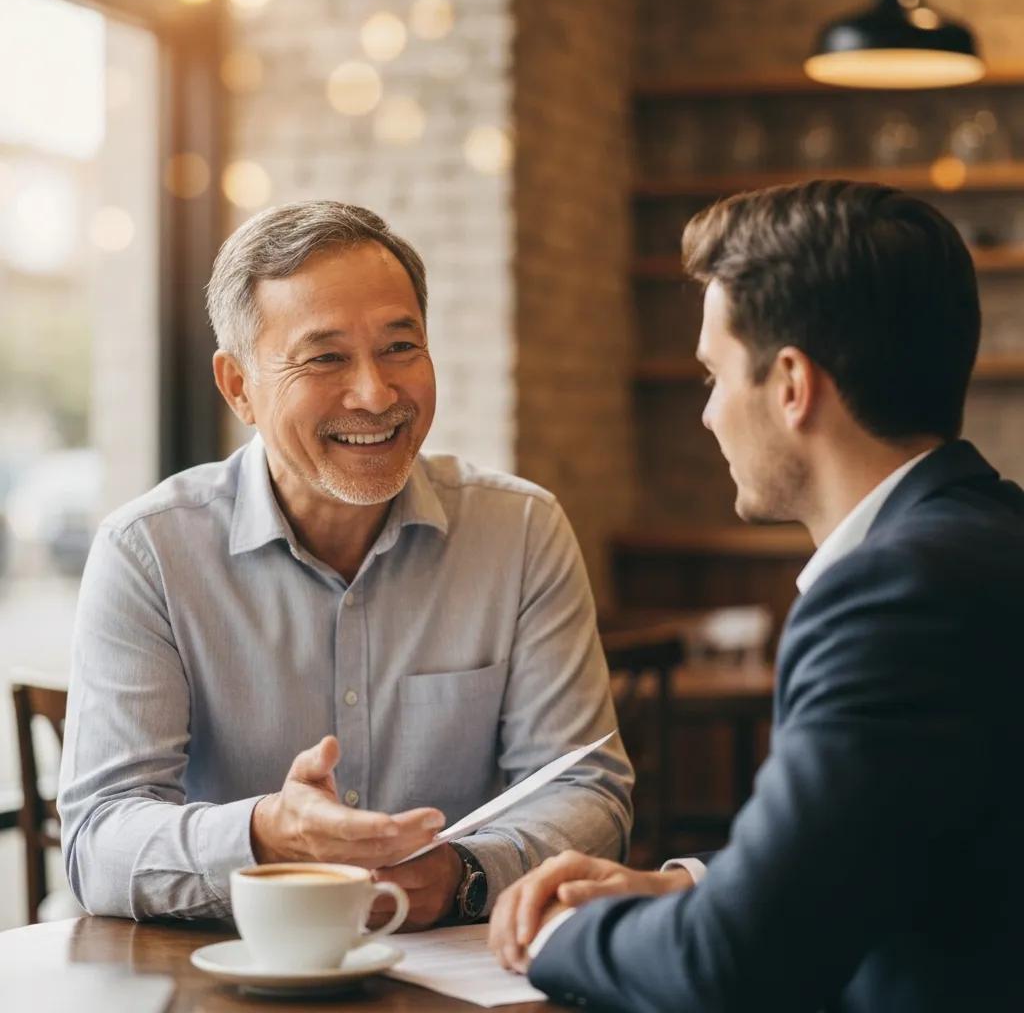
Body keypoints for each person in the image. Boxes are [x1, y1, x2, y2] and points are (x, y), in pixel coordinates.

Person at [489, 180, 1023, 1011]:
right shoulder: (988, 536)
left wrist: (554, 935)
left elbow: (731, 964)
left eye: (715, 374)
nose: (707, 415)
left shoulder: (895, 596)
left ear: (790, 385)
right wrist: (681, 889)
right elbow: (887, 848)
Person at [59, 201, 632, 926]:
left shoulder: (520, 530)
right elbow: (97, 840)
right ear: (238, 386)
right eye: (326, 357)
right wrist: (267, 833)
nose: (376, 393)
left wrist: (467, 874)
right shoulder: (148, 553)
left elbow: (587, 787)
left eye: (401, 347)